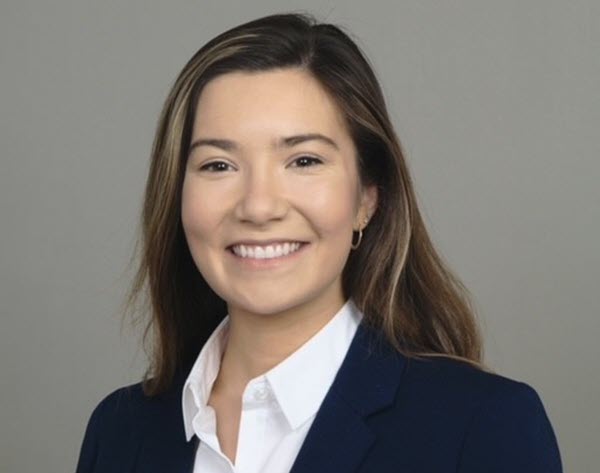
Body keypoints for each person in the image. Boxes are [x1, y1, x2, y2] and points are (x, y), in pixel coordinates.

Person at [75, 12, 562, 473]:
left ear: (367, 199)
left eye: (303, 161)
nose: (259, 206)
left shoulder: (481, 426)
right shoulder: (120, 431)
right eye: (218, 165)